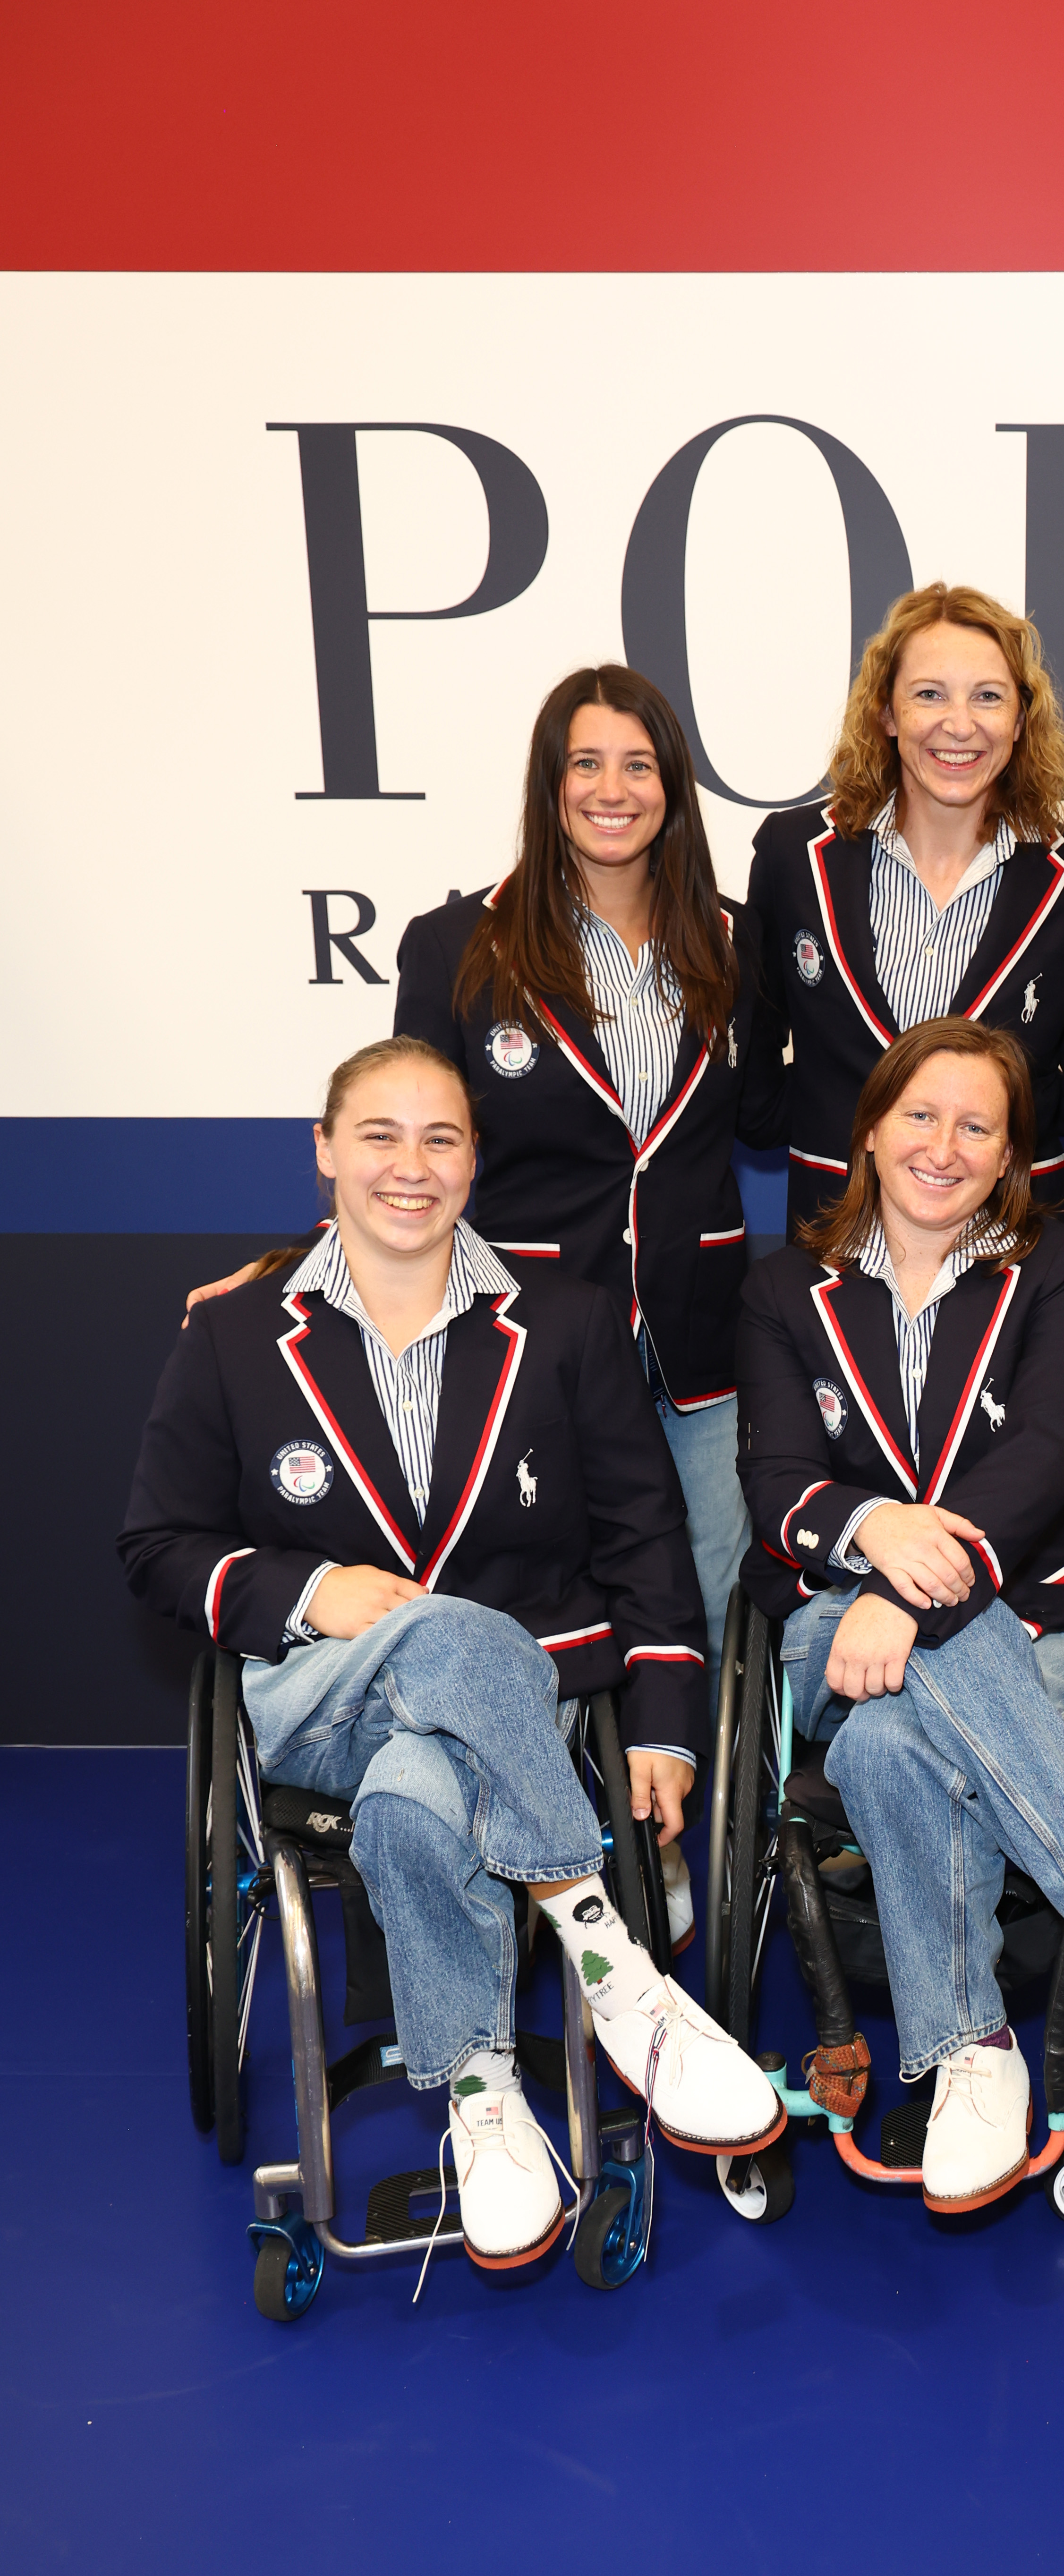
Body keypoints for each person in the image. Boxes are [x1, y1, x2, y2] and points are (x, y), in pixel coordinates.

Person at [125, 1038, 783, 2278]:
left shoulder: (570, 1323)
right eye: (379, 1135)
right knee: (443, 1625)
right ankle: (609, 1957)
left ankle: (481, 2103)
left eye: (442, 1139)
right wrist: (314, 1589)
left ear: (478, 1161)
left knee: (417, 1795)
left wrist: (662, 1724)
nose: (410, 1168)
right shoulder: (233, 1335)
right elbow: (157, 1547)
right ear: (324, 1152)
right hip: (319, 1697)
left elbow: (647, 1539)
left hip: (503, 1716)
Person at [188, 664, 789, 1951]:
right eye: (586, 764)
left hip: (696, 1328)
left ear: (675, 789)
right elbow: (412, 1135)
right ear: (548, 782)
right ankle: (537, 1844)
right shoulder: (457, 945)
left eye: (639, 766)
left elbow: (800, 1118)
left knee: (699, 1588)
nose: (612, 791)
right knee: (524, 1598)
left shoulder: (733, 941)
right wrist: (290, 1267)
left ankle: (670, 1846)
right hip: (528, 1337)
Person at [735, 1017, 1064, 2214]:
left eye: (977, 1126)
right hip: (835, 1630)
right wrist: (876, 1548)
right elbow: (774, 1484)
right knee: (923, 1659)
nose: (944, 1144)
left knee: (884, 1744)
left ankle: (972, 2053)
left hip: (1021, 1622)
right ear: (868, 1131)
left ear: (1010, 1155)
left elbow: (1051, 1450)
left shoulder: (1063, 1273)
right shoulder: (783, 1289)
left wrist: (906, 1601)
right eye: (918, 1115)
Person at [746, 581, 1064, 1238]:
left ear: (1020, 720)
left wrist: (1015, 1121)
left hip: (1018, 1249)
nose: (959, 723)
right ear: (886, 713)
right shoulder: (792, 855)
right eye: (929, 694)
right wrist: (828, 1121)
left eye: (988, 697)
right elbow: (751, 1066)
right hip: (833, 1236)